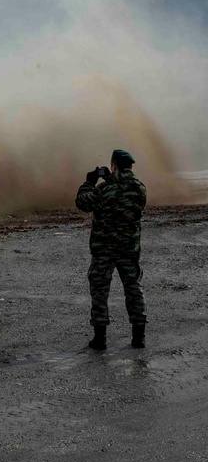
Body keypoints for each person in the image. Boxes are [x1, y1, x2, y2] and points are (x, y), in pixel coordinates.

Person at [75, 149, 147, 350]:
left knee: (100, 291)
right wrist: (111, 180)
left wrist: (89, 182)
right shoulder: (140, 189)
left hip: (104, 249)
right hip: (128, 249)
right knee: (134, 289)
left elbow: (82, 202)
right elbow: (125, 198)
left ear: (114, 165)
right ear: (131, 166)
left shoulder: (104, 190)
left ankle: (100, 339)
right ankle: (139, 337)